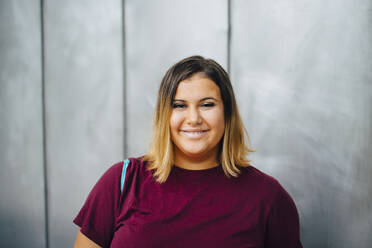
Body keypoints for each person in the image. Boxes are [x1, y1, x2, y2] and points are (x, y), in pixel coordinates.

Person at [73, 55, 303, 248]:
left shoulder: (268, 197)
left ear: (227, 113)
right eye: (179, 105)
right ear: (165, 115)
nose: (193, 119)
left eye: (207, 104)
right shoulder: (121, 182)